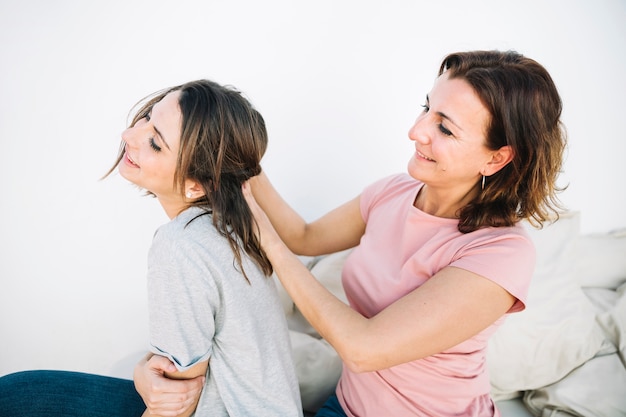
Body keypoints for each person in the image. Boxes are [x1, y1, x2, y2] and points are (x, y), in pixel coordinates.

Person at [135, 50, 567, 417]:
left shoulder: (501, 253)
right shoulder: (394, 192)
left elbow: (364, 349)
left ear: (497, 158)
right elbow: (304, 236)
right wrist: (236, 152)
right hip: (346, 407)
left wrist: (266, 238)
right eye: (426, 109)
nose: (416, 131)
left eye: (445, 128)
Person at [0, 80, 303, 417]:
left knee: (14, 398)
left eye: (155, 143)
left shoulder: (182, 245)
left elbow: (175, 403)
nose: (129, 135)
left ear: (197, 185)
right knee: (22, 393)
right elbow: (177, 369)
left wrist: (147, 375)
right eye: (145, 118)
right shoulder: (237, 228)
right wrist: (142, 371)